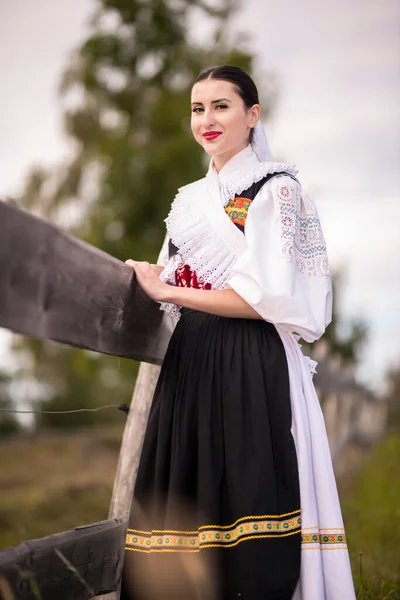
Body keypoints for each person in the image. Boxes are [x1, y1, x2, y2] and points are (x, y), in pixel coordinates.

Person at [122, 65, 355, 600]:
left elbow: (263, 298)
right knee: (187, 498)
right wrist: (156, 278)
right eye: (197, 108)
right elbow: (179, 275)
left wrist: (171, 292)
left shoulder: (275, 192)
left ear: (252, 115)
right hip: (192, 363)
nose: (207, 119)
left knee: (252, 490)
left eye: (221, 106)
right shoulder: (189, 201)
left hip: (251, 362)